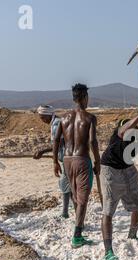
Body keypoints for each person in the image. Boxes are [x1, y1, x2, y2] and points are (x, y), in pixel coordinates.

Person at [99, 96, 138, 260]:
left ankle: (133, 235)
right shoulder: (127, 125)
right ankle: (108, 251)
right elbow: (123, 131)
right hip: (110, 169)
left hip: (128, 169)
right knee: (109, 210)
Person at [53, 83, 101, 249]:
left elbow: (57, 140)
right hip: (81, 159)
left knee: (75, 195)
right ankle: (77, 235)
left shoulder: (63, 118)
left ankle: (78, 224)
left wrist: (54, 161)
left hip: (67, 159)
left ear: (74, 98)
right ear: (85, 97)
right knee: (83, 199)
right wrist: (98, 161)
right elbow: (93, 141)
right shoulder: (89, 118)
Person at [34, 105, 73, 219]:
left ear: (47, 115)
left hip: (67, 158)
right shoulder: (57, 121)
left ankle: (65, 212)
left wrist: (43, 152)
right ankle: (69, 208)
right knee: (68, 184)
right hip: (67, 156)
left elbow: (58, 144)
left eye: (42, 117)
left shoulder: (56, 124)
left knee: (65, 184)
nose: (42, 120)